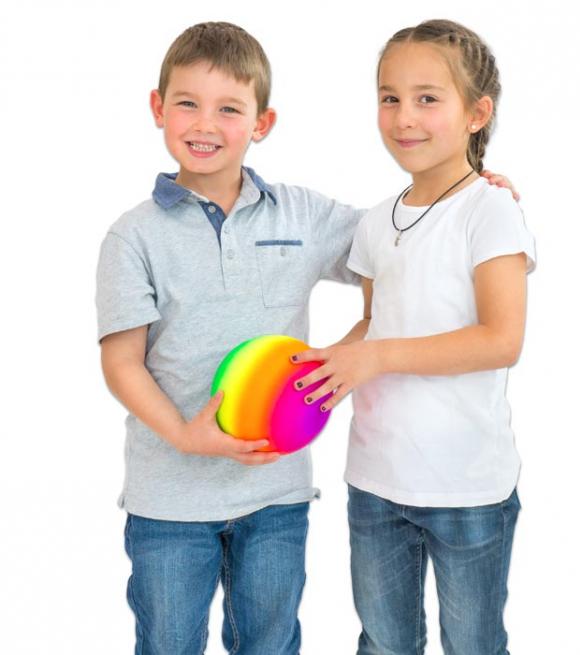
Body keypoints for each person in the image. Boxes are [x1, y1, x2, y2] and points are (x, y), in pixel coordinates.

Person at [96, 19, 517, 655]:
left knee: (270, 643)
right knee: (168, 643)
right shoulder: (132, 237)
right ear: (158, 109)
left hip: (277, 495)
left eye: (229, 108)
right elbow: (121, 362)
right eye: (187, 104)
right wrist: (185, 435)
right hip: (170, 500)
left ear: (261, 123)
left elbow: (406, 238)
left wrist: (472, 192)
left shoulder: (304, 215)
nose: (205, 124)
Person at [291, 19, 536, 655]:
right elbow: (377, 321)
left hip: (467, 488)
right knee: (384, 643)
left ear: (477, 113)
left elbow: (501, 339)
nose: (404, 117)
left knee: (474, 645)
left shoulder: (490, 209)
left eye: (428, 98)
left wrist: (377, 356)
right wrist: (330, 364)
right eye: (390, 97)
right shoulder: (377, 221)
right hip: (376, 481)